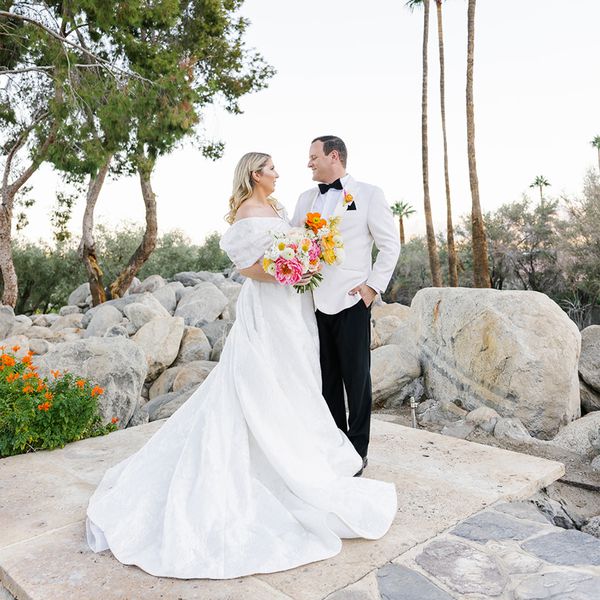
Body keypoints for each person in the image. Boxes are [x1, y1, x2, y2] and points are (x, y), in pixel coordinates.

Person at [85, 152, 397, 580]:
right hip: (270, 307)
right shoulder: (251, 212)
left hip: (299, 307)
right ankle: (272, 461)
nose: (282, 172)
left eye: (302, 161)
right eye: (272, 168)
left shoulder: (282, 207)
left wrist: (306, 265)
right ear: (256, 174)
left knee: (301, 380)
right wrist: (288, 269)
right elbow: (247, 268)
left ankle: (322, 455)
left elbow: (330, 244)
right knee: (264, 378)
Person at [292, 136, 400, 476]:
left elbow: (390, 245)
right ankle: (336, 445)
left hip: (353, 301)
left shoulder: (369, 194)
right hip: (313, 302)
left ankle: (357, 451)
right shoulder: (306, 199)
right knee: (326, 381)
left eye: (313, 156)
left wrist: (372, 288)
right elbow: (295, 242)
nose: (309, 163)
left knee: (357, 380)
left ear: (333, 156)